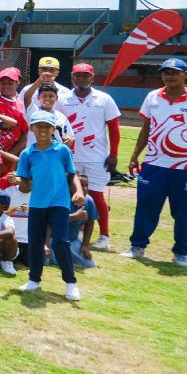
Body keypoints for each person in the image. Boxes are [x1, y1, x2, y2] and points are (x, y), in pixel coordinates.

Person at [121, 58, 187, 266]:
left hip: (185, 168)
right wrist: (135, 156)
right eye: (166, 72)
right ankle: (137, 246)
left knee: (183, 212)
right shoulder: (153, 97)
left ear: (185, 75)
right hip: (154, 165)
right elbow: (146, 128)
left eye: (175, 72)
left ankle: (181, 253)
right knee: (145, 206)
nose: (170, 76)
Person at [16, 110, 84, 300]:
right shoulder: (27, 154)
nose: (43, 130)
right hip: (37, 204)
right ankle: (34, 280)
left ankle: (71, 282)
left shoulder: (62, 150)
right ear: (32, 129)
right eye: (39, 126)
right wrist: (19, 180)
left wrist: (78, 191)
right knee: (35, 243)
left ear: (54, 129)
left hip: (59, 202)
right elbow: (27, 184)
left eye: (47, 126)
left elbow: (72, 174)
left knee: (61, 241)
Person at [56, 63, 121, 251]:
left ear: (92, 78)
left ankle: (104, 235)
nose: (81, 79)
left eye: (85, 76)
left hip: (97, 156)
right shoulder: (63, 98)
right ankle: (79, 230)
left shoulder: (104, 99)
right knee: (70, 194)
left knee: (97, 195)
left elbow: (114, 128)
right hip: (71, 156)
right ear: (72, 77)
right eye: (78, 76)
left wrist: (114, 153)